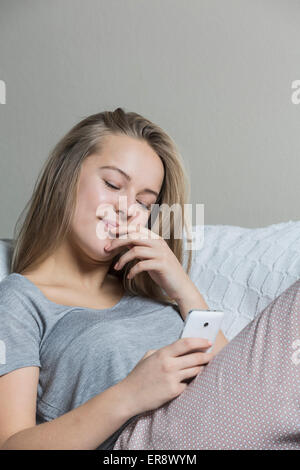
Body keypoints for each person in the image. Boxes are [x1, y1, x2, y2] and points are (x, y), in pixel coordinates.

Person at [0, 108, 227, 450]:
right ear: (65, 177)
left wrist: (180, 284)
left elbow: (237, 382)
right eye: (112, 184)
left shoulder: (148, 290)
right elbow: (11, 444)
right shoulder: (20, 301)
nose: (127, 208)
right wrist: (130, 394)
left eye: (144, 202)